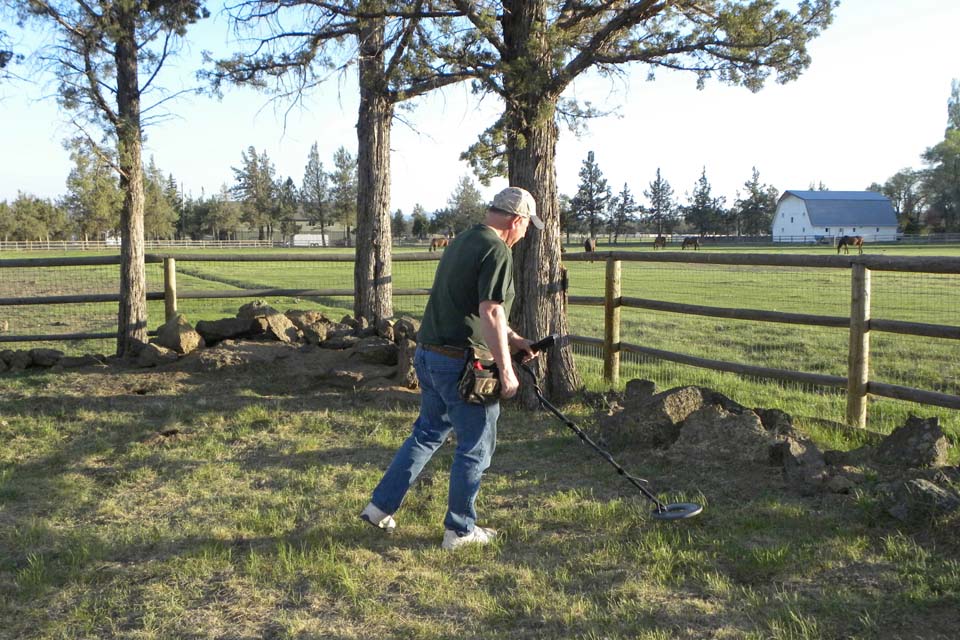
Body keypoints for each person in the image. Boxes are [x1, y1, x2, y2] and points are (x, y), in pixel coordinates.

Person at [360, 186, 545, 550]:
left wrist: (513, 339)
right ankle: (459, 531)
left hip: (429, 355)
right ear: (517, 220)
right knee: (476, 445)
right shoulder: (497, 250)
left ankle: (379, 508)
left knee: (427, 433)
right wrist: (506, 371)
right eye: (526, 227)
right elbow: (490, 310)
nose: (525, 235)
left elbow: (476, 307)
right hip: (461, 362)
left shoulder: (463, 241)